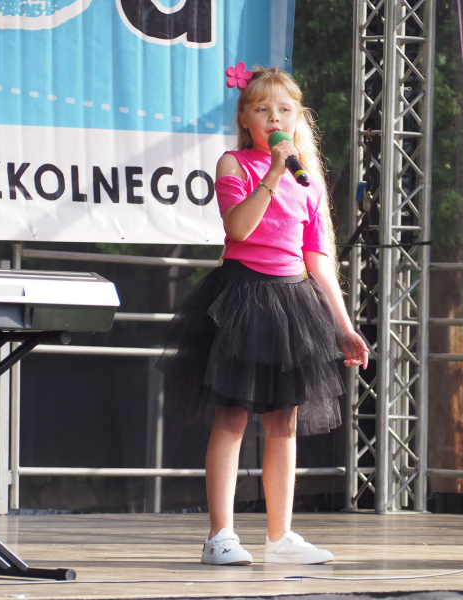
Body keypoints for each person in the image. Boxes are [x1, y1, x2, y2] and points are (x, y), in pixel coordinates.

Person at [158, 63, 369, 567]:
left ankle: (280, 536)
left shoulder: (310, 182)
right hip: (242, 298)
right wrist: (273, 172)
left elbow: (318, 259)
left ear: (298, 118)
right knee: (232, 417)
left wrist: (343, 326)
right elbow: (239, 228)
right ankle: (220, 535)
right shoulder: (235, 164)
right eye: (263, 109)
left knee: (283, 422)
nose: (275, 117)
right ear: (245, 118)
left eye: (284, 109)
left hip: (292, 303)